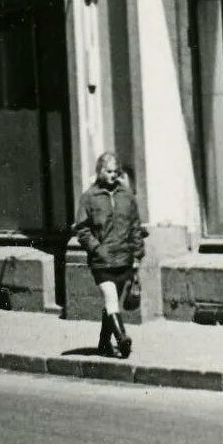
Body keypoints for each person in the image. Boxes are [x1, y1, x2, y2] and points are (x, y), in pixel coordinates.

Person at [73, 152, 145, 360]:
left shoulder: (127, 196)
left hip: (123, 259)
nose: (113, 175)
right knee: (111, 298)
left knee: (111, 304)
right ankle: (122, 339)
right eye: (108, 171)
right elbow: (82, 230)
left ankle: (104, 343)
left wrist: (137, 255)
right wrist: (97, 248)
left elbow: (135, 227)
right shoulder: (88, 197)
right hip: (102, 261)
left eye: (116, 172)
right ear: (99, 171)